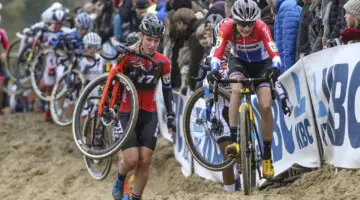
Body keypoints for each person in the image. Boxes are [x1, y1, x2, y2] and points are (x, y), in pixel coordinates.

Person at [208, 0, 282, 180]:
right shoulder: (227, 27)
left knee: (265, 105)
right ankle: (235, 141)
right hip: (239, 63)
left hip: (261, 65)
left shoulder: (262, 26)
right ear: (235, 20)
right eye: (241, 23)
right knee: (236, 89)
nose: (246, 28)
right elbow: (216, 53)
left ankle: (266, 156)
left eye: (249, 24)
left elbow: (275, 53)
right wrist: (214, 71)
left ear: (255, 21)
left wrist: (275, 66)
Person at [111, 17, 175, 200]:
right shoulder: (127, 55)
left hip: (149, 112)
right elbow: (115, 83)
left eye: (156, 41)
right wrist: (112, 106)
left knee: (145, 160)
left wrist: (170, 115)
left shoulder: (163, 62)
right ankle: (121, 177)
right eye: (149, 40)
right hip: (126, 111)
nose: (153, 44)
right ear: (141, 36)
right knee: (131, 160)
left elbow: (167, 89)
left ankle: (135, 197)